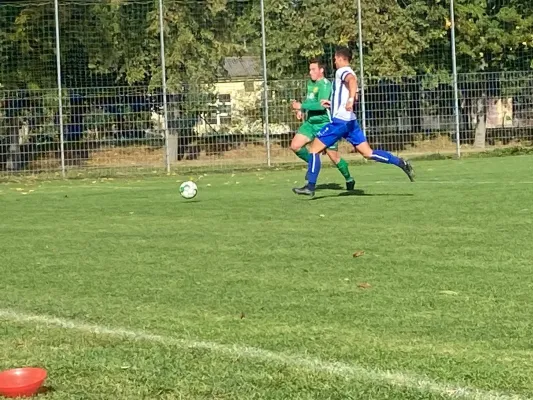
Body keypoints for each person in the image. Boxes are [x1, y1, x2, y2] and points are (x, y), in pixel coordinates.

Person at [293, 46, 415, 197]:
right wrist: (336, 103)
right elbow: (353, 91)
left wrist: (350, 100)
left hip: (340, 122)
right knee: (368, 153)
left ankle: (310, 186)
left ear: (339, 58)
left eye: (335, 59)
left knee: (314, 150)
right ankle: (400, 163)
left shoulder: (342, 71)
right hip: (351, 121)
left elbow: (351, 81)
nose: (334, 62)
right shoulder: (350, 71)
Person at [291, 59, 355, 191]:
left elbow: (321, 106)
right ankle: (313, 165)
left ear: (321, 70)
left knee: (334, 157)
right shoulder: (310, 83)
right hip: (310, 123)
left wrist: (301, 106)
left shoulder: (325, 85)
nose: (310, 72)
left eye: (313, 69)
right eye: (310, 69)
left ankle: (349, 178)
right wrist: (301, 110)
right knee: (295, 146)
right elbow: (310, 101)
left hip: (324, 124)